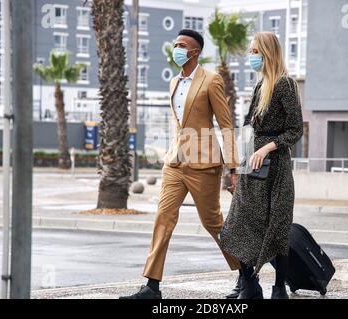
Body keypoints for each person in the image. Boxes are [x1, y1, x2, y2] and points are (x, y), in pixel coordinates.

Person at [120, 29, 241, 299]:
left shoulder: (211, 80)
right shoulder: (174, 82)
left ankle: (246, 274)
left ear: (195, 52)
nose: (176, 48)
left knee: (213, 223)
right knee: (163, 218)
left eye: (182, 45)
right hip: (175, 162)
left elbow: (226, 125)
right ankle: (152, 286)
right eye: (175, 44)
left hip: (204, 163)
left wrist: (233, 168)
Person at [219, 31, 304, 299]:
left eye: (255, 52)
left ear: (267, 53)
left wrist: (267, 147)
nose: (251, 56)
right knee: (237, 225)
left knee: (277, 228)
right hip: (251, 167)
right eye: (250, 51)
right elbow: (248, 127)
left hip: (275, 169)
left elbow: (295, 130)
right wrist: (236, 163)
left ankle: (279, 288)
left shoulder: (285, 85)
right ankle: (248, 284)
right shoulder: (260, 86)